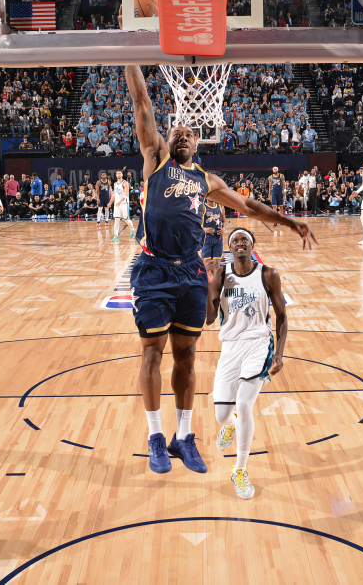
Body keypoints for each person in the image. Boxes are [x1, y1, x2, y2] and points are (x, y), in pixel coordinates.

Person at [124, 64, 316, 475]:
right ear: (166, 137)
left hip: (191, 272)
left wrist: (289, 222)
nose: (182, 135)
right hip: (154, 268)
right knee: (153, 353)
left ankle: (183, 436)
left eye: (189, 133)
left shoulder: (206, 180)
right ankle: (156, 436)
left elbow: (249, 206)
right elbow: (141, 101)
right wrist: (130, 52)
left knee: (187, 356)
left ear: (198, 142)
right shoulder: (156, 158)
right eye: (176, 131)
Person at [206, 228, 286, 499]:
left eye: (244, 240)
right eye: (235, 241)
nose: (240, 243)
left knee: (243, 405)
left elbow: (282, 316)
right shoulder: (222, 275)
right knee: (221, 415)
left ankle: (239, 470)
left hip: (258, 345)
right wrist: (209, 285)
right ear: (229, 248)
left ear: (252, 245)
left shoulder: (268, 274)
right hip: (230, 347)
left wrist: (279, 353)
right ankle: (230, 425)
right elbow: (208, 319)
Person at [201, 197, 224, 282]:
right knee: (208, 268)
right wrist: (205, 229)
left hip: (218, 239)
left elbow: (224, 222)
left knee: (216, 268)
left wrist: (224, 229)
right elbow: (196, 224)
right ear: (206, 196)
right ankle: (209, 287)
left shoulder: (221, 207)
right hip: (206, 239)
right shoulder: (203, 207)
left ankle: (216, 287)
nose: (212, 197)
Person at [111, 169, 135, 242]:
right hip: (117, 204)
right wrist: (110, 202)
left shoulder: (125, 183)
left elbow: (126, 194)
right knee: (116, 219)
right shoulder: (115, 184)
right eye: (117, 173)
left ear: (122, 175)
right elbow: (114, 194)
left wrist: (120, 201)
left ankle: (132, 229)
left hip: (124, 204)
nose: (118, 174)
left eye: (120, 173)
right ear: (116, 175)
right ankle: (116, 236)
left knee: (126, 219)